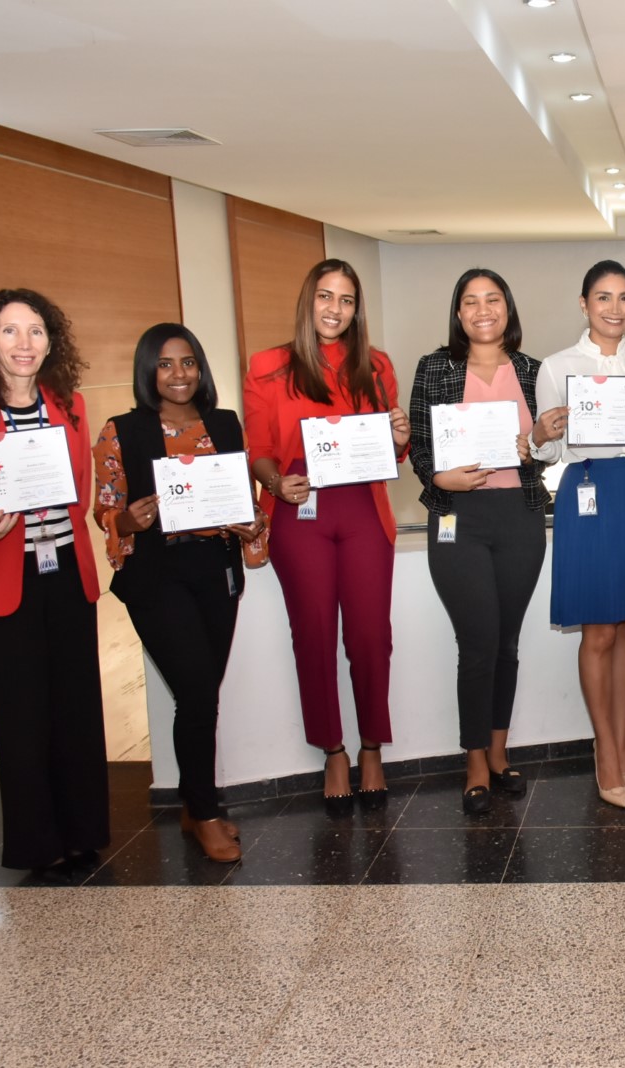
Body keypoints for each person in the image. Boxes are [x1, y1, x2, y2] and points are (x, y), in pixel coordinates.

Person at [0, 289, 108, 883]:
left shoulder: (72, 405)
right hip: (3, 582)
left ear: (50, 341)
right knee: (21, 719)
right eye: (10, 332)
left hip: (67, 578)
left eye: (35, 332)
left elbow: (79, 495)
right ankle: (37, 843)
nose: (24, 344)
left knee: (77, 712)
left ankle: (83, 833)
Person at [92, 323, 267, 861]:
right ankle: (207, 811)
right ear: (148, 371)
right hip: (157, 576)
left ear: (201, 368)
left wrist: (249, 520)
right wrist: (128, 518)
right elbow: (105, 508)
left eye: (187, 362)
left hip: (216, 572)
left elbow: (246, 497)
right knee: (194, 689)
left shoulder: (224, 423)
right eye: (165, 364)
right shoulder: (120, 431)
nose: (178, 374)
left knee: (202, 694)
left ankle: (194, 804)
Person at [243, 259, 410, 816]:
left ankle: (371, 748)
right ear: (308, 301)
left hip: (362, 508)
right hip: (300, 509)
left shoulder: (377, 366)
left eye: (345, 299)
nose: (334, 309)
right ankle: (332, 750)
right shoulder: (269, 366)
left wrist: (402, 436)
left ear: (356, 308)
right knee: (313, 634)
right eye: (324, 297)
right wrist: (275, 482)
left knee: (369, 637)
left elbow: (391, 449)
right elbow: (259, 448)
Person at [531, 261, 625, 808]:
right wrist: (540, 434)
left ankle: (623, 750)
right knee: (599, 633)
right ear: (584, 304)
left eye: (624, 298)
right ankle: (605, 753)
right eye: (603, 298)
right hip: (587, 494)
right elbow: (546, 450)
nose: (615, 309)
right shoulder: (556, 366)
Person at [409, 269, 550, 816]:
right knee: (477, 644)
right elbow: (421, 444)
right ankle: (472, 761)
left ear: (507, 309)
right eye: (471, 301)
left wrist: (533, 449)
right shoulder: (434, 367)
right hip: (457, 518)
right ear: (458, 312)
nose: (482, 309)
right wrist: (437, 478)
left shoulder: (535, 372)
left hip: (518, 515)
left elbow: (549, 447)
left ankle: (498, 751)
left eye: (493, 299)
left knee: (507, 642)